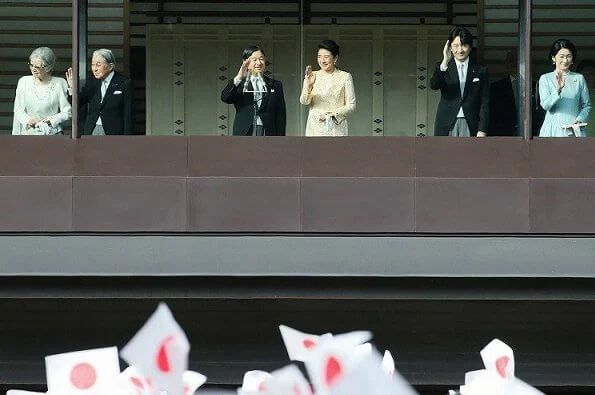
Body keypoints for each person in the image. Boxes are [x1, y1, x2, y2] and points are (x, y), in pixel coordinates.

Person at [430, 27, 489, 137]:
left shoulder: (480, 70)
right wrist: (445, 61)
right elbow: (434, 85)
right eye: (456, 46)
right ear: (450, 47)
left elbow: (485, 101)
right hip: (446, 123)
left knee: (468, 154)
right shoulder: (443, 66)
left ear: (470, 47)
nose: (460, 50)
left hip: (471, 122)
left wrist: (482, 129)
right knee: (445, 154)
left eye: (464, 45)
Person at [66, 48, 135, 135]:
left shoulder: (124, 83)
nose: (94, 69)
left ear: (110, 66)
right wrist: (72, 88)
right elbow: (79, 103)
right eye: (93, 65)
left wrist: (127, 139)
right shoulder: (91, 81)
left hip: (114, 132)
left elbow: (129, 114)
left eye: (98, 65)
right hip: (92, 129)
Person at [220, 45, 286, 136]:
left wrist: (280, 138)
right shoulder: (238, 83)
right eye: (254, 60)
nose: (259, 63)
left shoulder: (275, 85)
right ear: (246, 62)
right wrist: (239, 76)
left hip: (268, 131)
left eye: (261, 59)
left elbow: (280, 115)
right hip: (244, 131)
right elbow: (225, 98)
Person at [299, 39, 356, 136]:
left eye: (326, 57)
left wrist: (330, 115)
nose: (322, 60)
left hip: (336, 129)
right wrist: (309, 86)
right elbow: (304, 101)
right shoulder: (312, 75)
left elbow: (351, 105)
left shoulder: (345, 77)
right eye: (319, 56)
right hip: (315, 128)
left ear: (335, 58)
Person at [12, 47, 71, 135]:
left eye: (37, 67)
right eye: (31, 65)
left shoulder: (60, 83)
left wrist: (51, 120)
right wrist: (28, 120)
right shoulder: (24, 82)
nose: (33, 69)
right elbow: (18, 110)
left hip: (52, 134)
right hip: (29, 134)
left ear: (48, 67)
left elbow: (67, 112)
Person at [538, 39, 591, 137]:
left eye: (568, 56)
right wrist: (557, 90)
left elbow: (586, 106)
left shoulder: (579, 78)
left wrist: (580, 119)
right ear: (553, 58)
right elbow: (545, 105)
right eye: (561, 56)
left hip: (574, 130)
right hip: (552, 130)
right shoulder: (546, 78)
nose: (565, 60)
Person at [489, 50, 518, 136]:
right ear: (506, 65)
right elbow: (492, 115)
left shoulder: (534, 86)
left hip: (530, 134)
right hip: (503, 134)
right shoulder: (496, 87)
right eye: (511, 61)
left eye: (517, 60)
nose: (514, 64)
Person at [576, 59, 594, 136]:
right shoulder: (573, 96)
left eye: (591, 73)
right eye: (584, 74)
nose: (587, 77)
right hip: (579, 139)